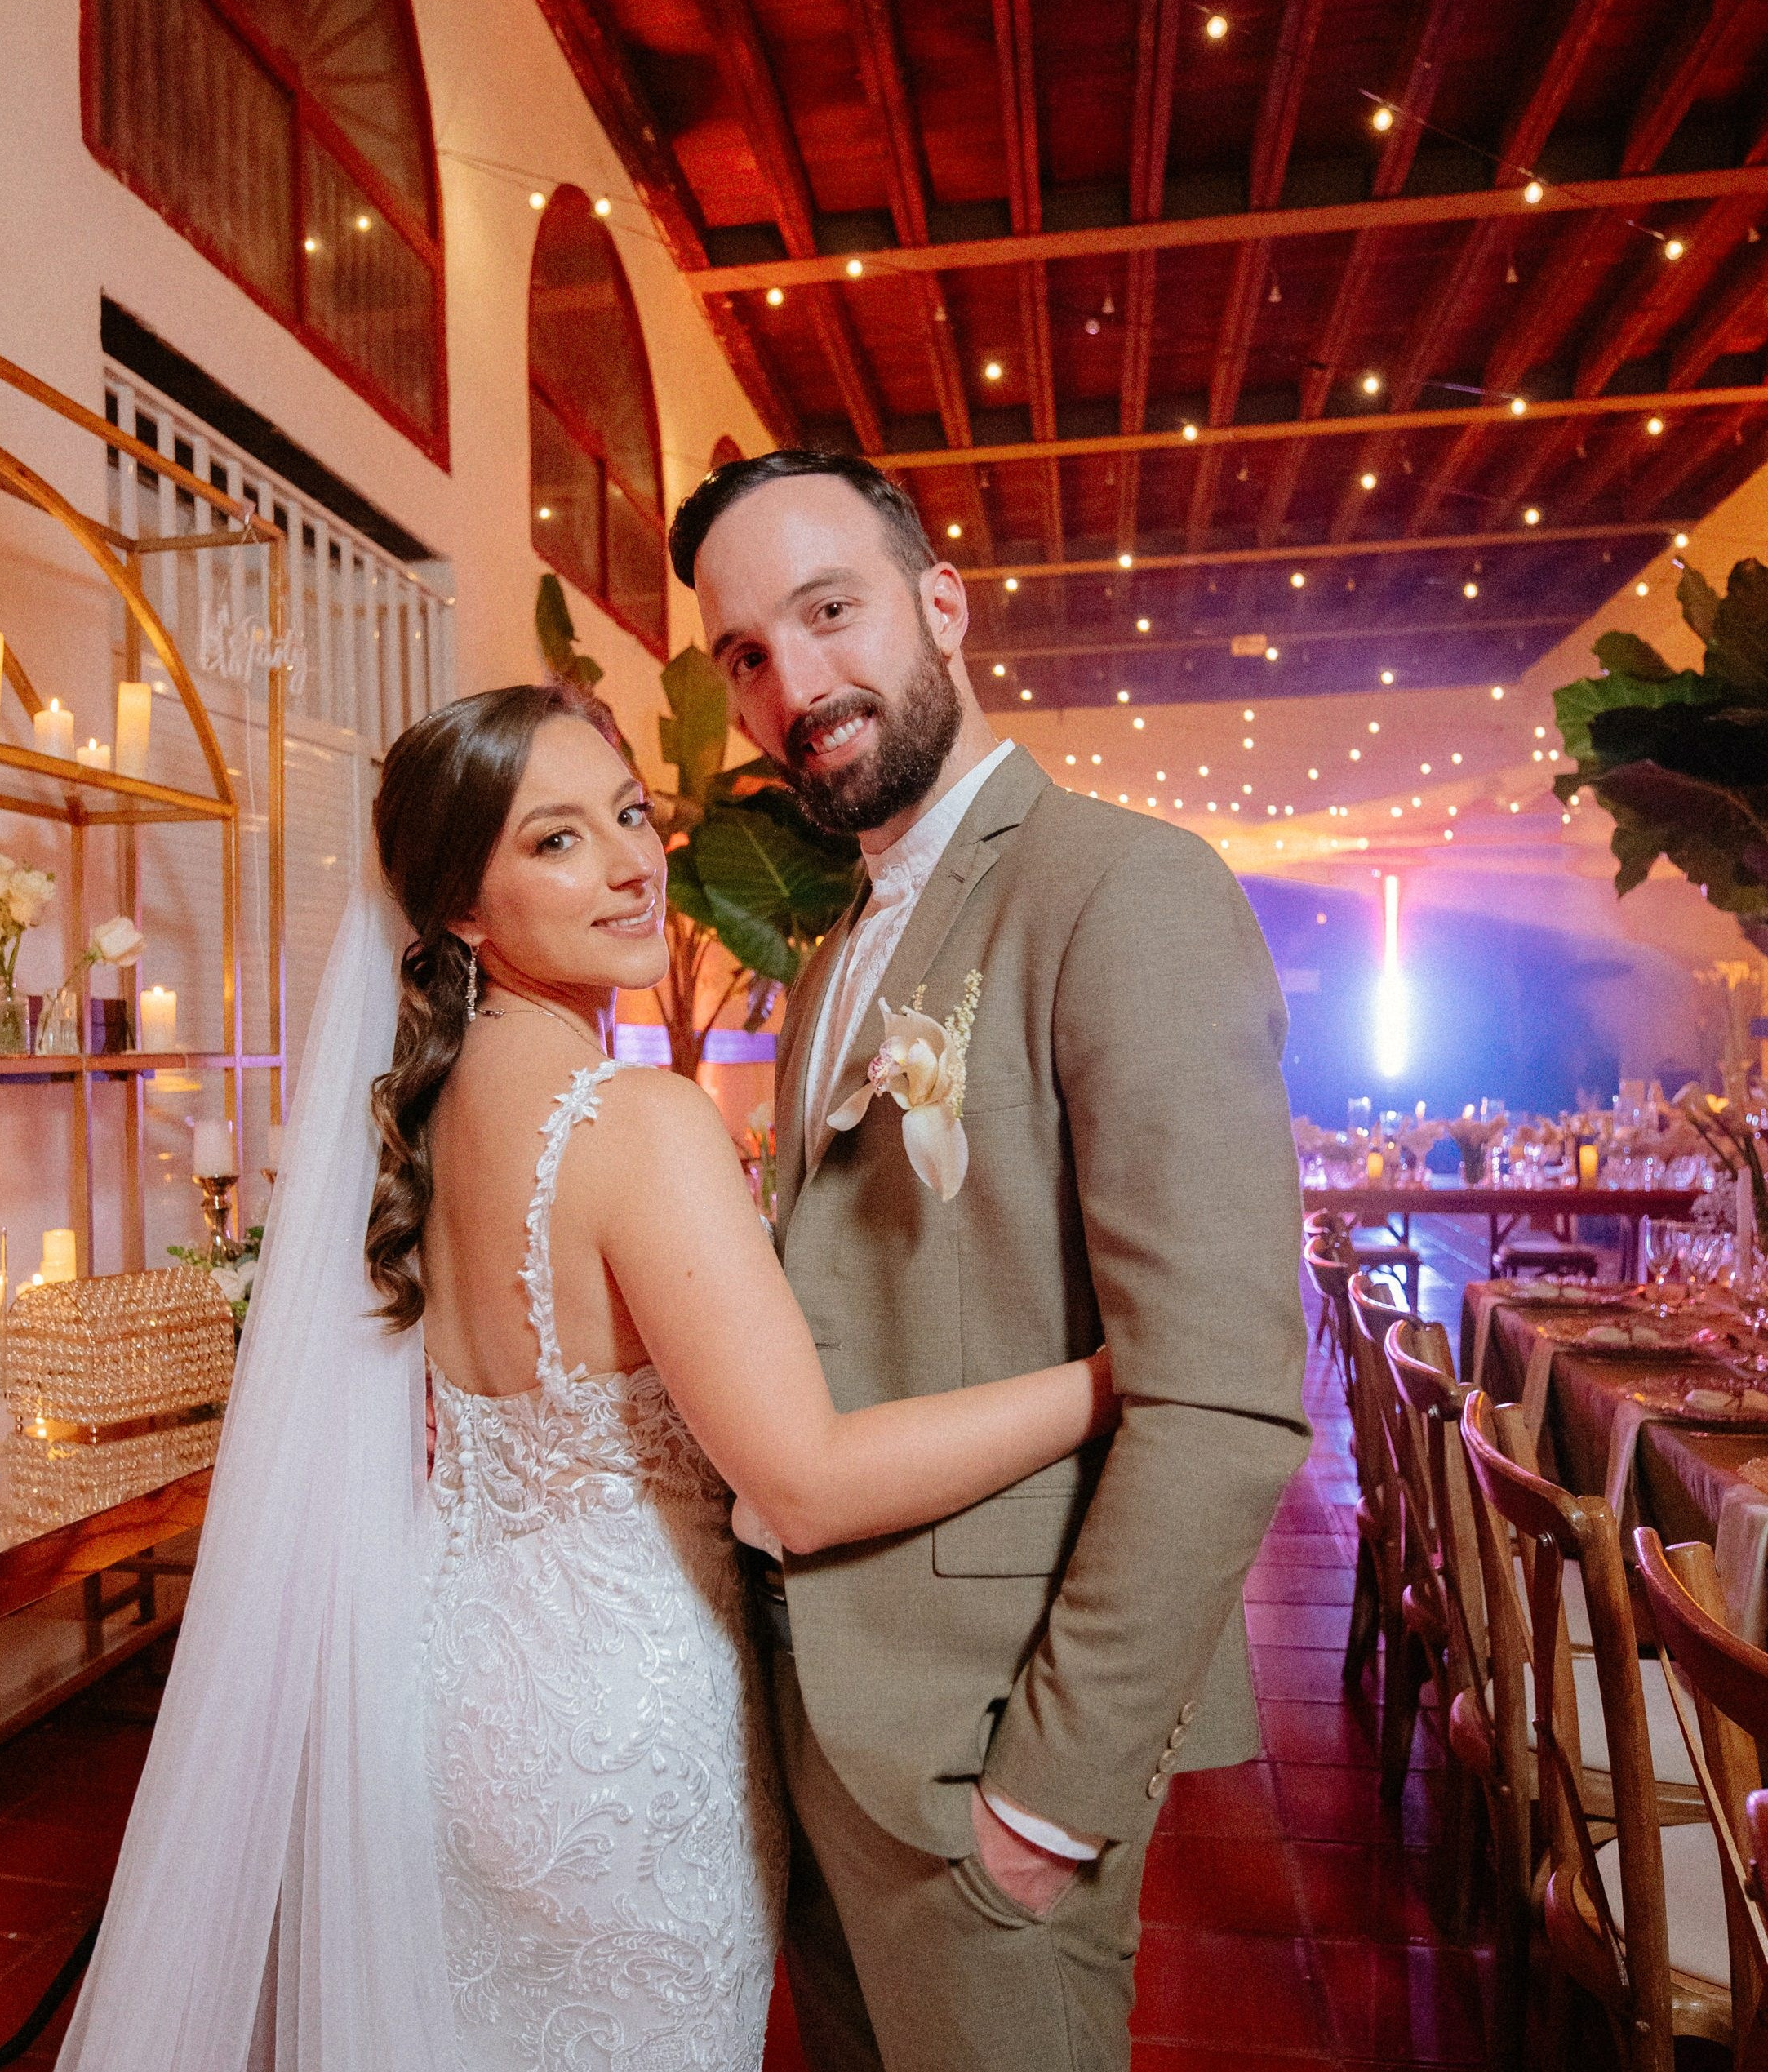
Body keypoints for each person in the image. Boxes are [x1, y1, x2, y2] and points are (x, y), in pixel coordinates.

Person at [56, 678, 1117, 2072]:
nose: (629, 861)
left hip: (443, 1683)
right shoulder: (636, 1122)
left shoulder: (418, 1117)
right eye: (554, 839)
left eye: (625, 814)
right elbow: (801, 1482)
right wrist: (1103, 1382)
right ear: (461, 913)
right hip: (620, 1741)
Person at [667, 447, 1311, 2072]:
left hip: (979, 1747)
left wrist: (1054, 1788)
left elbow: (1223, 1399)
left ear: (940, 603)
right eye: (747, 654)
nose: (794, 681)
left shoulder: (1120, 889)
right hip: (817, 1723)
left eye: (830, 611)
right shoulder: (826, 968)